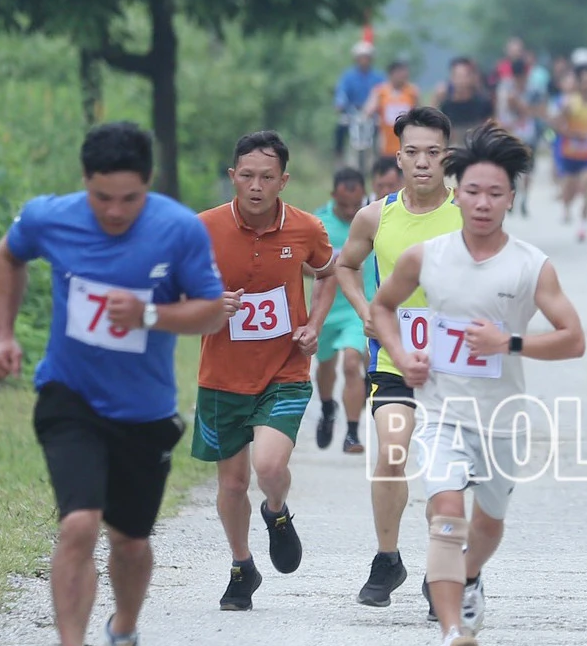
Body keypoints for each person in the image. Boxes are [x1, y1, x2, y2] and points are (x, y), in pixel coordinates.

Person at [0, 122, 226, 646]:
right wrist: (4, 334)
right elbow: (9, 254)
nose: (115, 211)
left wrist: (148, 314)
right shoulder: (49, 217)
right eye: (102, 197)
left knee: (131, 542)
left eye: (129, 198)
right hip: (70, 396)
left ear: (148, 186)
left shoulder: (178, 230)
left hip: (143, 412)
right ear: (84, 184)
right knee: (79, 524)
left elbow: (213, 312)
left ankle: (123, 635)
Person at [369, 123, 586, 646]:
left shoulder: (530, 266)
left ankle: (469, 578)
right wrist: (402, 355)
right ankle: (451, 636)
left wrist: (508, 342)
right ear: (456, 189)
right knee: (445, 514)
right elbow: (382, 306)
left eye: (495, 193)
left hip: (502, 418)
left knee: (487, 525)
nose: (483, 203)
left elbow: (573, 338)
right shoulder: (426, 257)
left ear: (512, 198)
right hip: (441, 412)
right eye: (472, 191)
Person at [193, 132, 335, 612]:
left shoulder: (306, 228)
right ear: (233, 177)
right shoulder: (204, 229)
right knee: (231, 484)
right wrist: (210, 305)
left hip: (285, 370)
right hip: (221, 375)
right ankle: (241, 565)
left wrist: (314, 324)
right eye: (247, 176)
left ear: (283, 180)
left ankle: (276, 511)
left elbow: (329, 272)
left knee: (269, 466)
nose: (256, 186)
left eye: (267, 177)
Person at [333, 106, 464, 608]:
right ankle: (387, 558)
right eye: (413, 153)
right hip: (393, 357)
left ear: (447, 157)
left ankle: (443, 569)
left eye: (433, 153)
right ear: (399, 157)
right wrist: (367, 310)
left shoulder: (467, 212)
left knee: (444, 471)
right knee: (391, 451)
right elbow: (346, 266)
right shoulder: (376, 215)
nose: (423, 162)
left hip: (454, 366)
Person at [313, 166, 377, 454]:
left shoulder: (373, 220)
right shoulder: (318, 223)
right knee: (326, 365)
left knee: (352, 363)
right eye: (344, 204)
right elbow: (302, 263)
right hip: (326, 307)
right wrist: (331, 267)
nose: (351, 210)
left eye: (356, 203)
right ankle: (328, 408)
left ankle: (352, 433)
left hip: (357, 306)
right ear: (332, 196)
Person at [549, 62, 587, 242]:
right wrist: (574, 134)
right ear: (578, 84)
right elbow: (557, 125)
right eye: (584, 81)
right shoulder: (569, 103)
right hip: (570, 153)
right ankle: (566, 206)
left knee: (586, 187)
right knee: (569, 190)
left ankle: (583, 227)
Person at [494, 57, 539, 217]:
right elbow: (501, 110)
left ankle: (524, 199)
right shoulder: (505, 88)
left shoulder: (533, 89)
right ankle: (512, 196)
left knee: (527, 170)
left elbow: (536, 110)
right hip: (510, 133)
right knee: (510, 169)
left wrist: (518, 103)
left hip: (528, 134)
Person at [334, 42, 386, 159]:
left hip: (373, 115)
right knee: (340, 129)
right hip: (352, 113)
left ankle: (379, 157)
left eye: (367, 57)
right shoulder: (348, 76)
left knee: (381, 130)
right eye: (361, 57)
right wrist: (339, 104)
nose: (364, 60)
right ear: (356, 59)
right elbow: (341, 92)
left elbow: (384, 92)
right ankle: (339, 156)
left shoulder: (378, 77)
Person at [365, 59, 420, 162]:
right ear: (392, 73)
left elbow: (419, 112)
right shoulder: (380, 92)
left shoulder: (412, 92)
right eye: (400, 73)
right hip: (385, 139)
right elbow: (368, 111)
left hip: (406, 138)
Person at [433, 57, 495, 141]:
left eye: (464, 76)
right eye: (457, 76)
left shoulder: (483, 104)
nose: (460, 81)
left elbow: (492, 128)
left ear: (472, 77)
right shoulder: (446, 106)